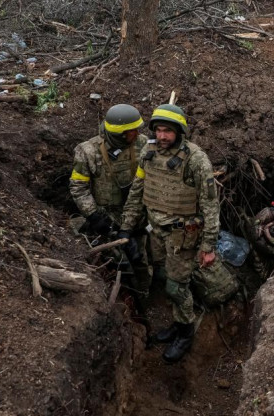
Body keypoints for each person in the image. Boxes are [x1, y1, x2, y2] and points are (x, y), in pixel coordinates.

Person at [120, 104, 220, 363]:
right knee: (165, 277)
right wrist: (126, 227)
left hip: (182, 236)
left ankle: (186, 332)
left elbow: (210, 205)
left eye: (168, 131)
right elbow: (137, 191)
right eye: (159, 131)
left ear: (179, 131)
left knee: (176, 287)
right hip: (156, 231)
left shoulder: (196, 160)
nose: (162, 136)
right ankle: (178, 323)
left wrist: (208, 246)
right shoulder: (148, 152)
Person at [69, 104, 154, 330]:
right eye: (131, 131)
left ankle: (146, 291)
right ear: (117, 133)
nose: (136, 134)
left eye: (137, 130)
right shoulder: (88, 151)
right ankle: (126, 298)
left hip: (137, 213)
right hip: (108, 217)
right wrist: (94, 215)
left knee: (141, 255)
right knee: (120, 260)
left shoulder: (142, 144)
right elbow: (78, 188)